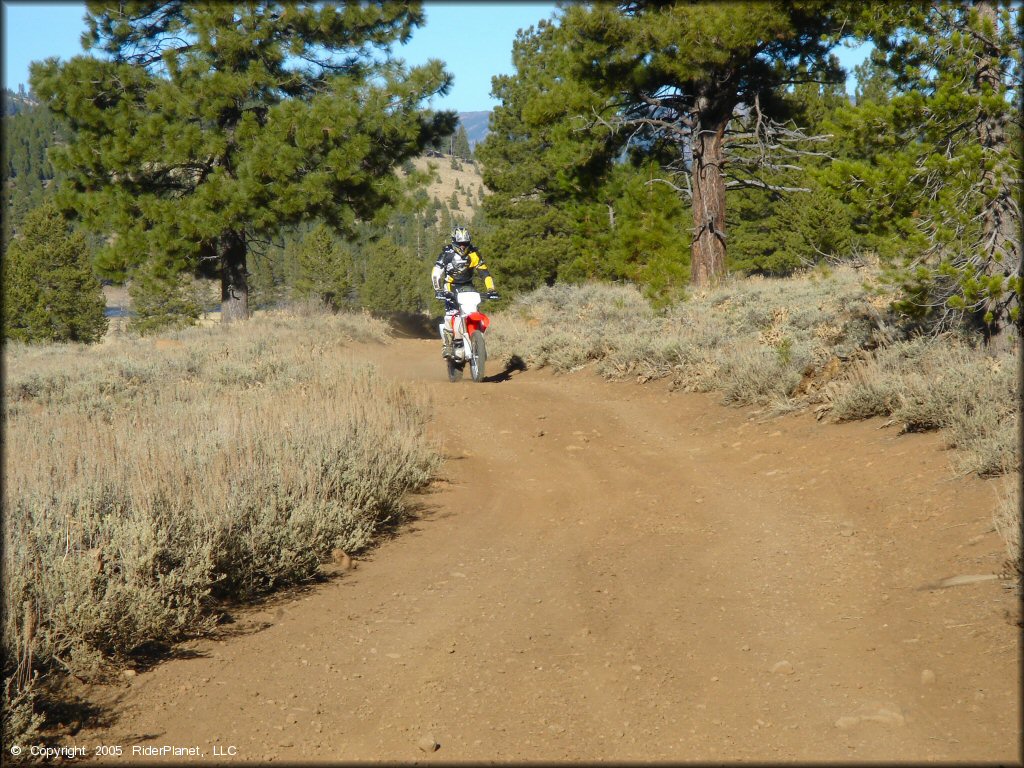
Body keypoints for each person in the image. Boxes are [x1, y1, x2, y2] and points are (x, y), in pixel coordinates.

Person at [431, 226, 499, 358]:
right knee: (452, 313)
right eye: (459, 244)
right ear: (454, 242)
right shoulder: (447, 254)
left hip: (468, 286)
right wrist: (438, 289)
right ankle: (448, 345)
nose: (462, 247)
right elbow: (436, 273)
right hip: (450, 286)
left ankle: (475, 337)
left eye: (465, 244)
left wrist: (491, 289)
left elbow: (485, 273)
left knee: (473, 311)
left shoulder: (474, 254)